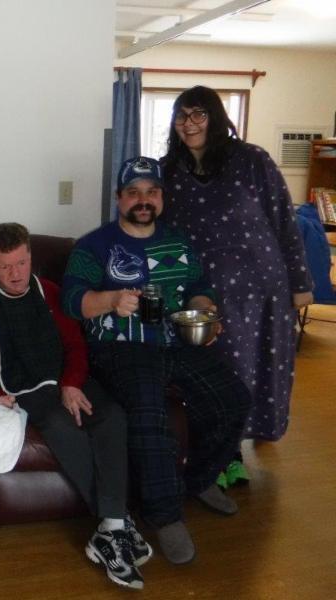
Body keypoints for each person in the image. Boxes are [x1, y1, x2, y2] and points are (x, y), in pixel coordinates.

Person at [62, 156, 251, 565]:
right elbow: (73, 301)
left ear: (161, 197)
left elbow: (199, 287)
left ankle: (198, 480)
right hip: (121, 346)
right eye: (133, 192)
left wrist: (205, 312)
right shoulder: (94, 246)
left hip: (175, 341)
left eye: (151, 192)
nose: (143, 200)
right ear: (119, 198)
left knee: (234, 399)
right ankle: (166, 517)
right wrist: (112, 299)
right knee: (149, 413)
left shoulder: (178, 243)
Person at [0, 223, 151, 590]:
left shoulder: (51, 292)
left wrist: (72, 383)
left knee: (111, 417)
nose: (16, 274)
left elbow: (76, 346)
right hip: (22, 388)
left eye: (22, 263)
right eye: (6, 266)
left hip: (66, 378)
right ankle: (118, 522)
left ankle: (110, 530)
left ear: (31, 258)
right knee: (60, 425)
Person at [160, 86, 313, 457]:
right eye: (182, 115)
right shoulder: (167, 171)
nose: (189, 123)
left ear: (215, 117)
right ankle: (221, 447)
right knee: (217, 370)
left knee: (258, 366)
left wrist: (300, 282)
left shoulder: (251, 160)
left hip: (260, 287)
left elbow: (284, 220)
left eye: (198, 114)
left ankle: (242, 443)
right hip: (201, 291)